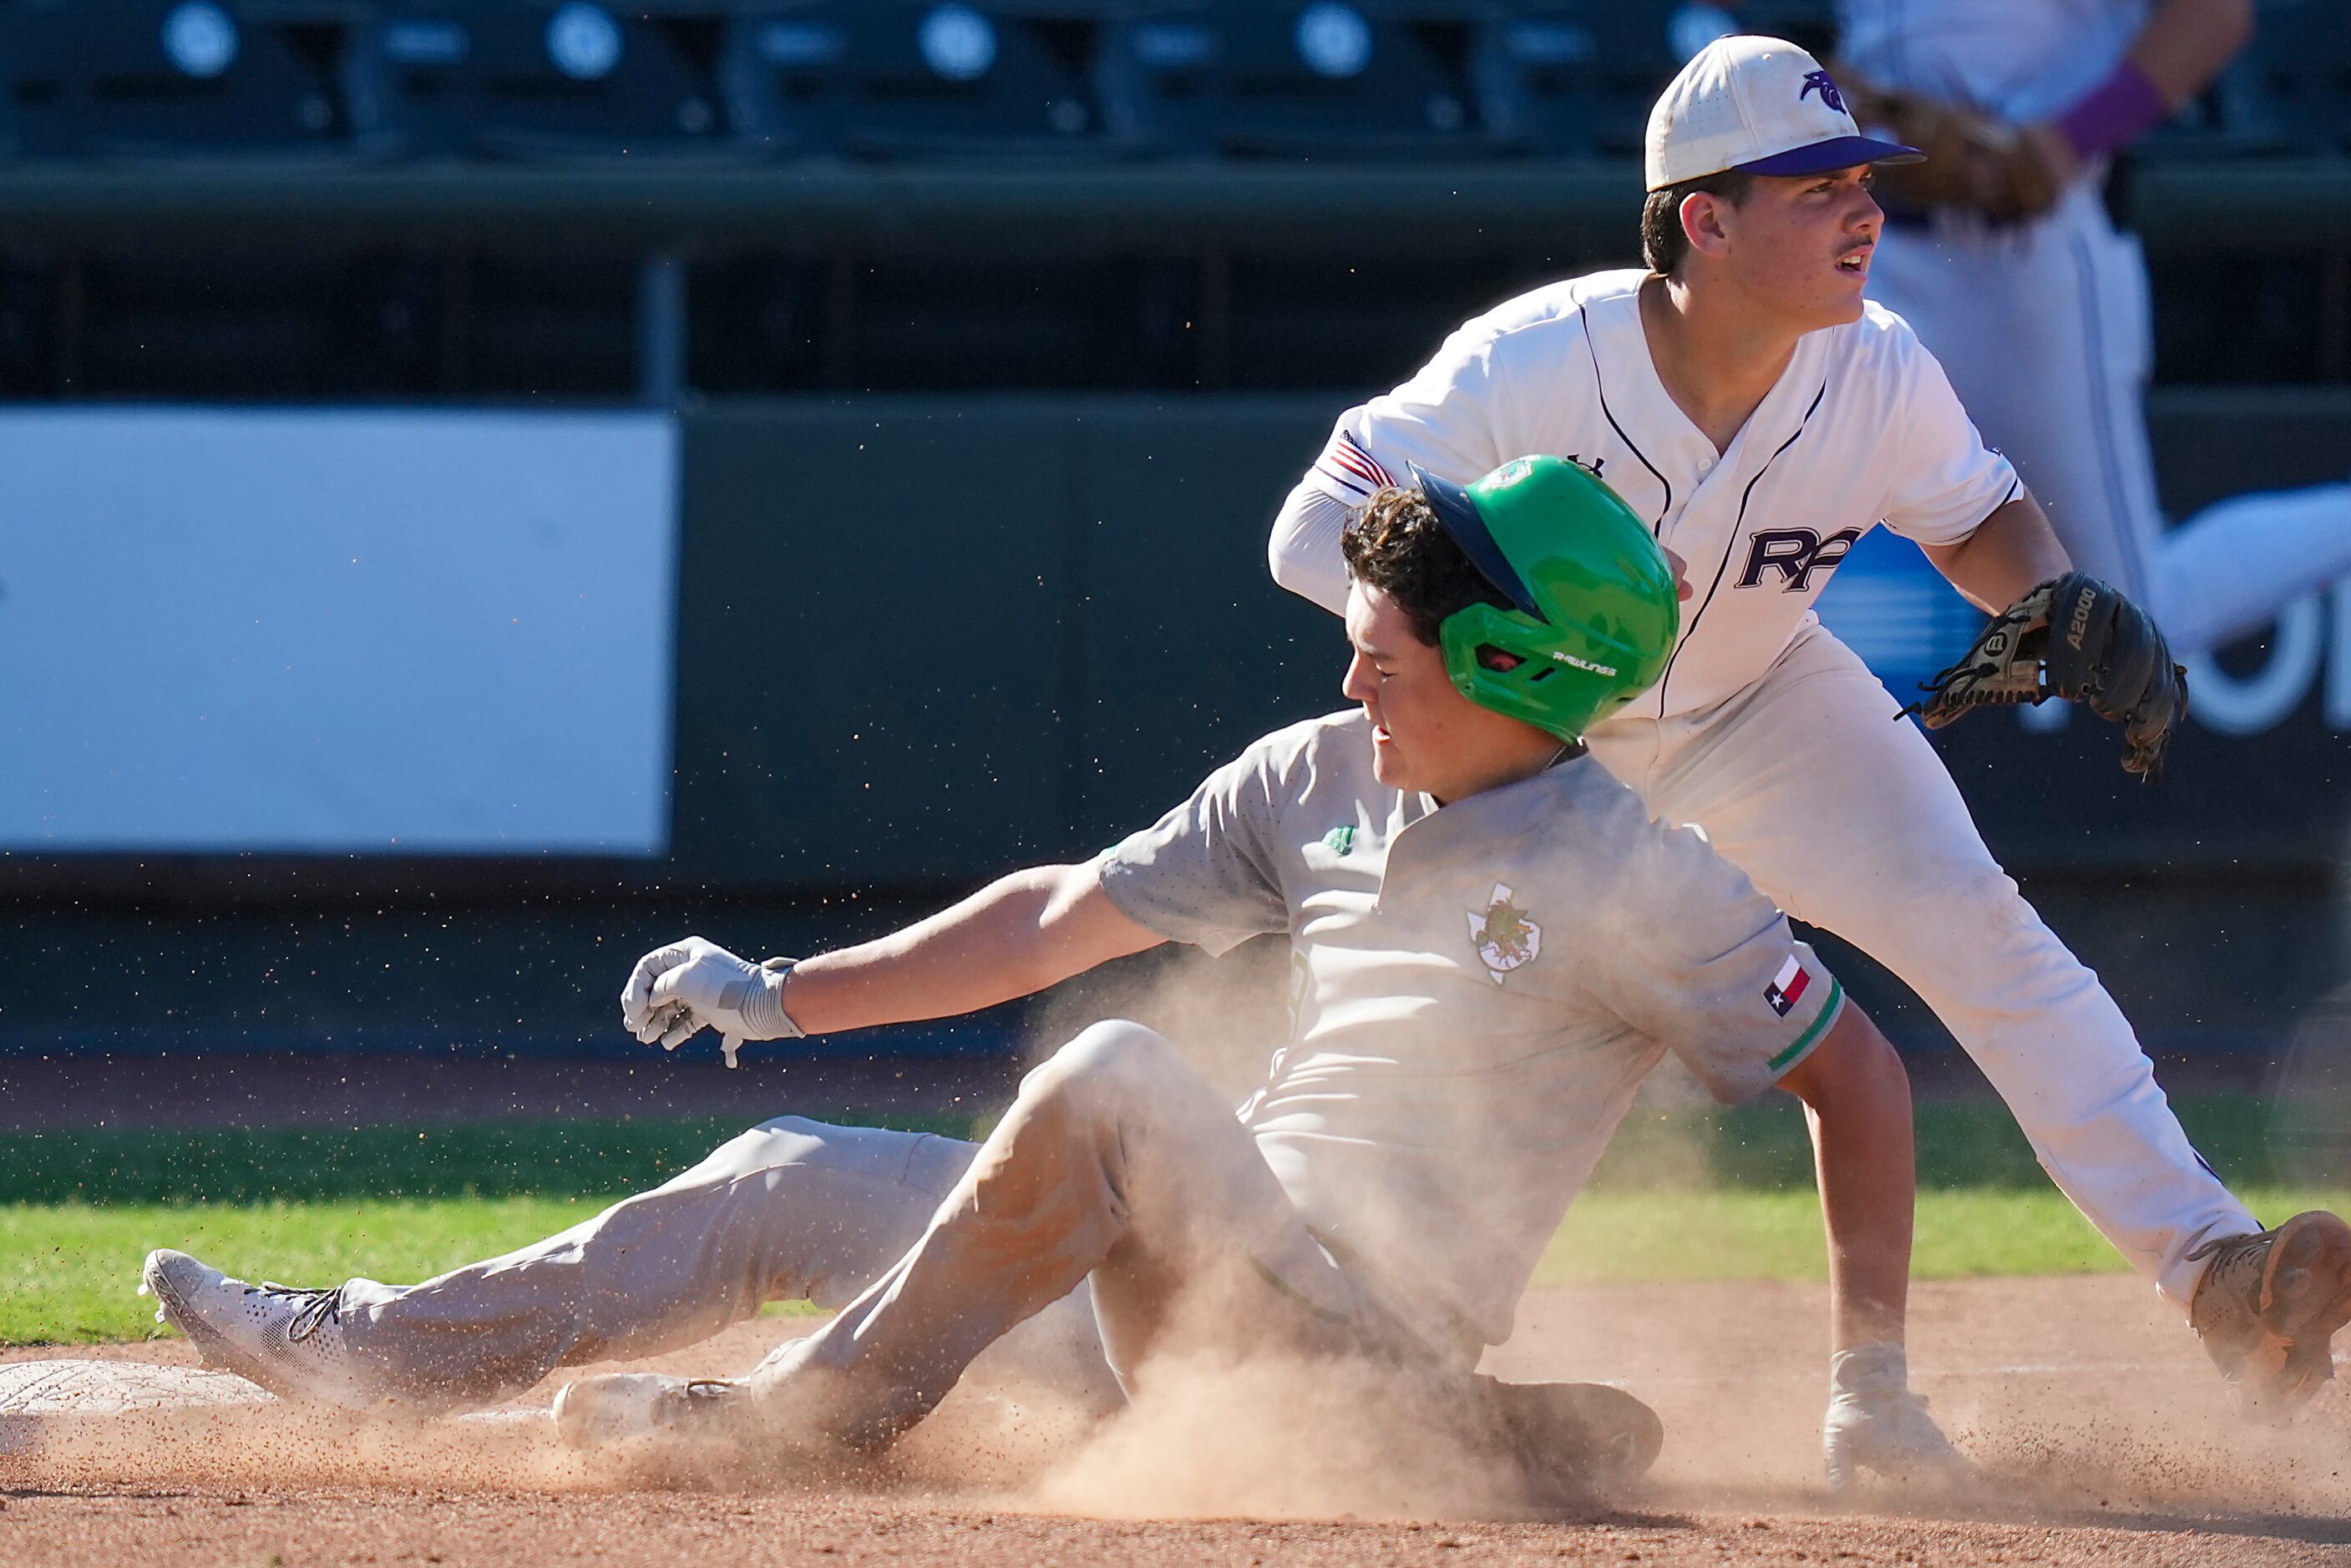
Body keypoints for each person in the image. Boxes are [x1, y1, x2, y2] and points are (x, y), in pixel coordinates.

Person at [143, 457, 1953, 1493]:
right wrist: (780, 990)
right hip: (1168, 1285)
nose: (1350, 678)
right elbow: (1055, 918)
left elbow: (1855, 1075)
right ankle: (374, 1357)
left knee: (1119, 1086)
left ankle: (806, 1427)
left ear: (1512, 664)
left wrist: (1866, 1378)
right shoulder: (1317, 778)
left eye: (1387, 653)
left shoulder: (1650, 880)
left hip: (1351, 1348)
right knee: (781, 1172)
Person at [1263, 34, 2351, 1422]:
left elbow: (1975, 514)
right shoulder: (1540, 361)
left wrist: (2060, 598)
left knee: (1987, 930)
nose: (1866, 210)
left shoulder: (1877, 365)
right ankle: (1326, 1349)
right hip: (1548, 758)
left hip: (1765, 703)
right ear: (1706, 220)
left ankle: (2217, 1273)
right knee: (1466, 1064)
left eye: (1865, 179)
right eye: (1820, 184)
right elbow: (1312, 528)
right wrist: (1473, 650)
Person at [1834, 0, 2351, 665]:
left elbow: (2213, 16)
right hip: (1862, 248)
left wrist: (2061, 144)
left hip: (2022, 259)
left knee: (2120, 627)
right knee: (1747, 504)